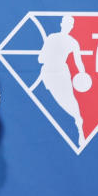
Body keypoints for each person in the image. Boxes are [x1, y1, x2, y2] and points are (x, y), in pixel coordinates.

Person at [37, 15, 89, 147]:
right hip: (48, 74)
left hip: (61, 73)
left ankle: (79, 125)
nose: (68, 26)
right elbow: (40, 59)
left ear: (72, 27)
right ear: (62, 24)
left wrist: (82, 73)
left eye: (70, 24)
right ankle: (78, 121)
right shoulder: (52, 38)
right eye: (66, 23)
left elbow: (79, 61)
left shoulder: (73, 42)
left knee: (69, 100)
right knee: (57, 101)